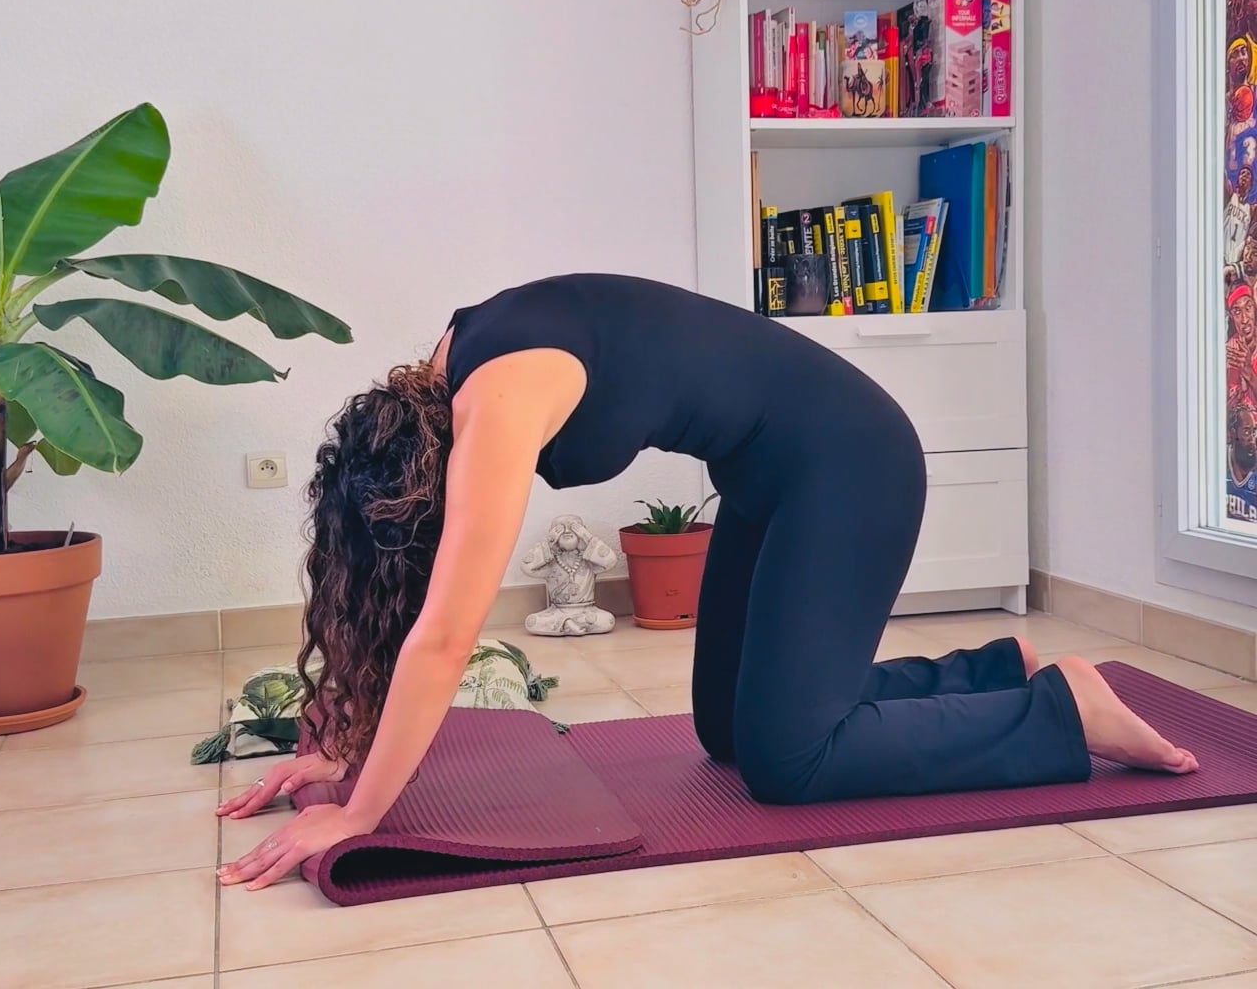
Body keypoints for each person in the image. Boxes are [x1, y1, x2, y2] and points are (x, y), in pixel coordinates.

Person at [216, 273, 1198, 891]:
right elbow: (416, 612)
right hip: (772, 479)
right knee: (726, 730)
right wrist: (347, 744)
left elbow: (440, 633)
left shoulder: (497, 407)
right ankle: (987, 671)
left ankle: (1058, 712)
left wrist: (361, 812)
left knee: (788, 764)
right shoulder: (450, 364)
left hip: (851, 461)